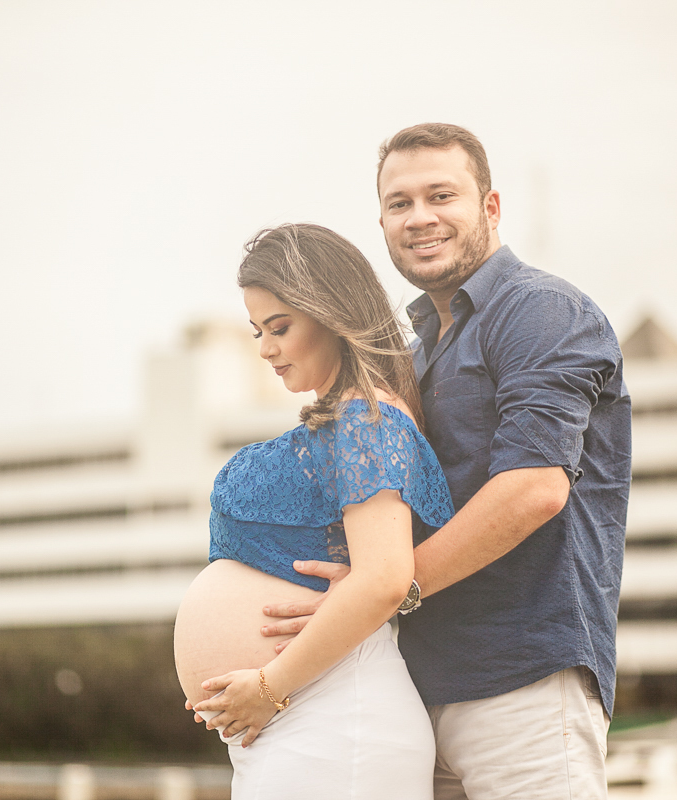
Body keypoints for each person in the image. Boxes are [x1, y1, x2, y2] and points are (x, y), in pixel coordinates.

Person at [261, 124, 632, 799]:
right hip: (416, 686)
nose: (420, 217)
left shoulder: (541, 311)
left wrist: (382, 592)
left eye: (441, 195)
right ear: (381, 222)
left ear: (490, 207)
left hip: (522, 680)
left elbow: (533, 490)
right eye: (399, 204)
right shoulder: (419, 349)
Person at [172, 223, 455, 800]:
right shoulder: (344, 421)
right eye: (256, 331)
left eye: (279, 327)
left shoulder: (365, 421)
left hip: (334, 717)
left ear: (331, 313)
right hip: (304, 721)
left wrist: (268, 687)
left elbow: (384, 578)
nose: (265, 349)